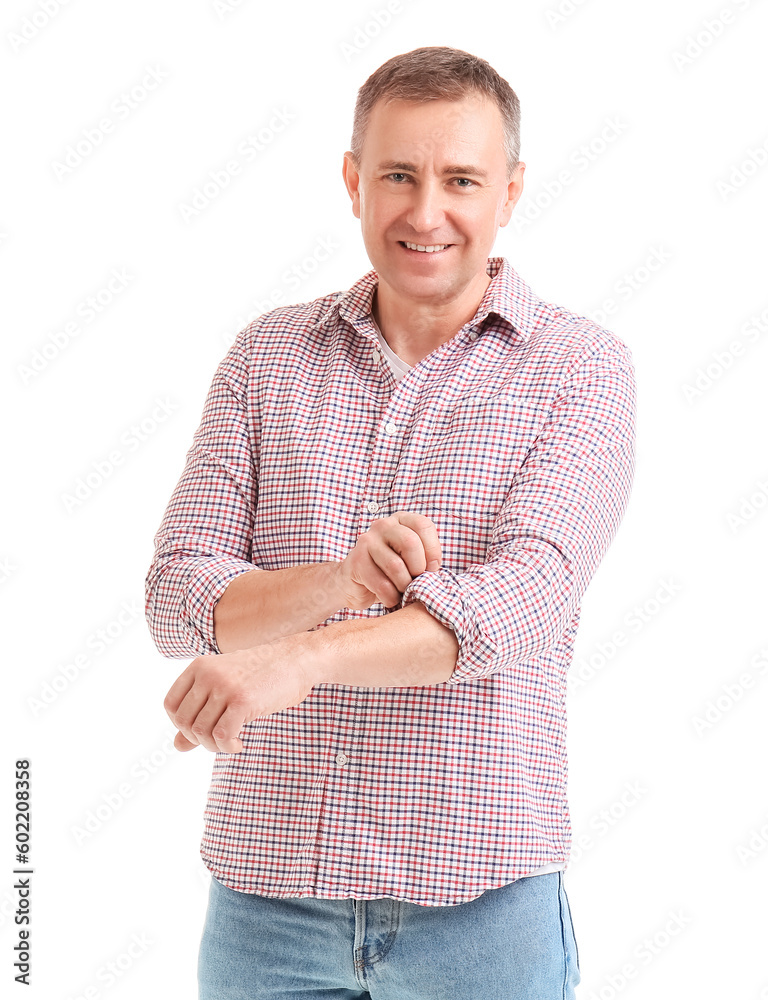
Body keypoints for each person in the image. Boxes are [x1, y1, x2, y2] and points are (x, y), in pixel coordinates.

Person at [145, 45, 636, 1000]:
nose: (426, 212)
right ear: (352, 181)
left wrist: (299, 655)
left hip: (482, 907)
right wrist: (338, 585)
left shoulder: (582, 370)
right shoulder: (267, 358)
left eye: (461, 179)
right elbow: (178, 597)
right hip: (266, 904)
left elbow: (513, 607)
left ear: (511, 191)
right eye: (399, 175)